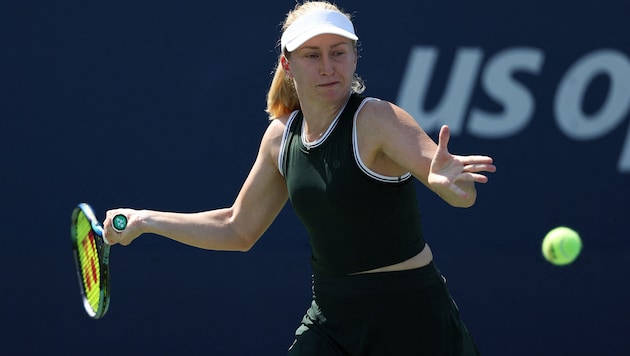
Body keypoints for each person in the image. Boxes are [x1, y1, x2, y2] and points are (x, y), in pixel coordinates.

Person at [103, 1, 496, 355]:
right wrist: (146, 220)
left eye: (339, 53)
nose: (328, 67)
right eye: (313, 55)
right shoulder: (280, 137)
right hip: (331, 315)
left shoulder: (377, 119)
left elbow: (457, 189)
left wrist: (451, 184)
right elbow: (237, 228)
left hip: (412, 319)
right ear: (288, 64)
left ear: (355, 56)